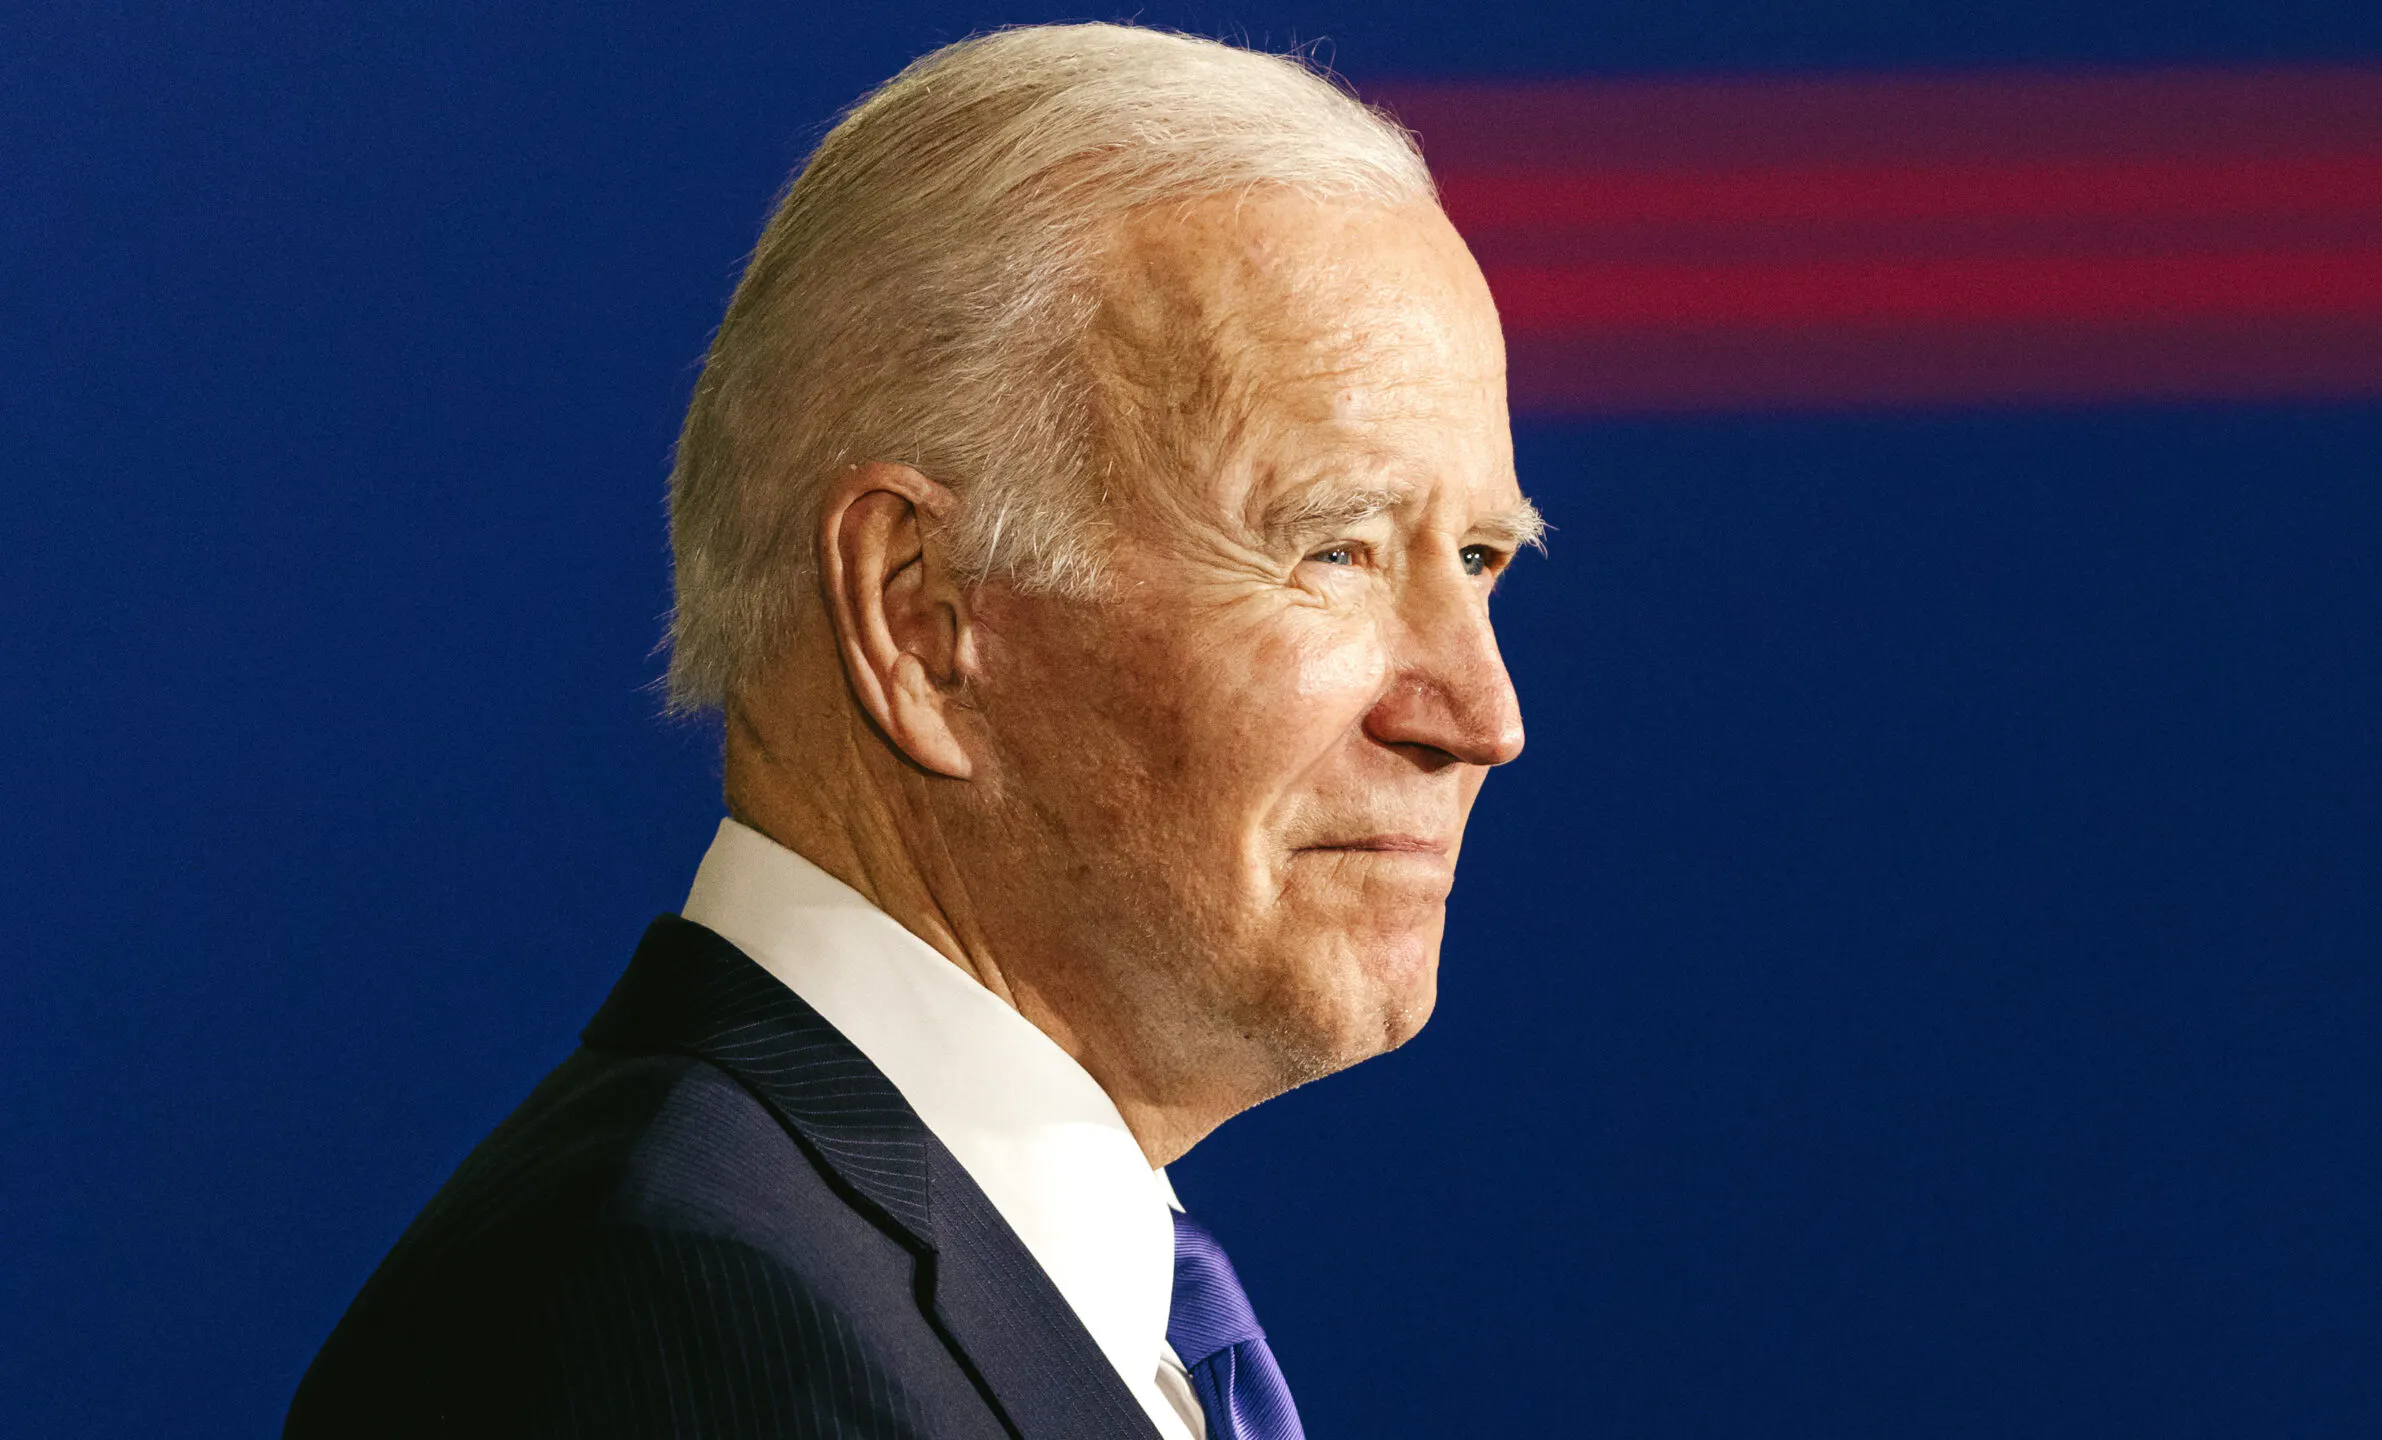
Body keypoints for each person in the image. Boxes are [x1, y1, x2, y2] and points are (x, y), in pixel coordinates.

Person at [286, 22, 1538, 1439]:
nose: (1481, 717)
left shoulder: (954, 1282)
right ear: (921, 618)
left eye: (1481, 561)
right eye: (1337, 550)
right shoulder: (686, 1322)